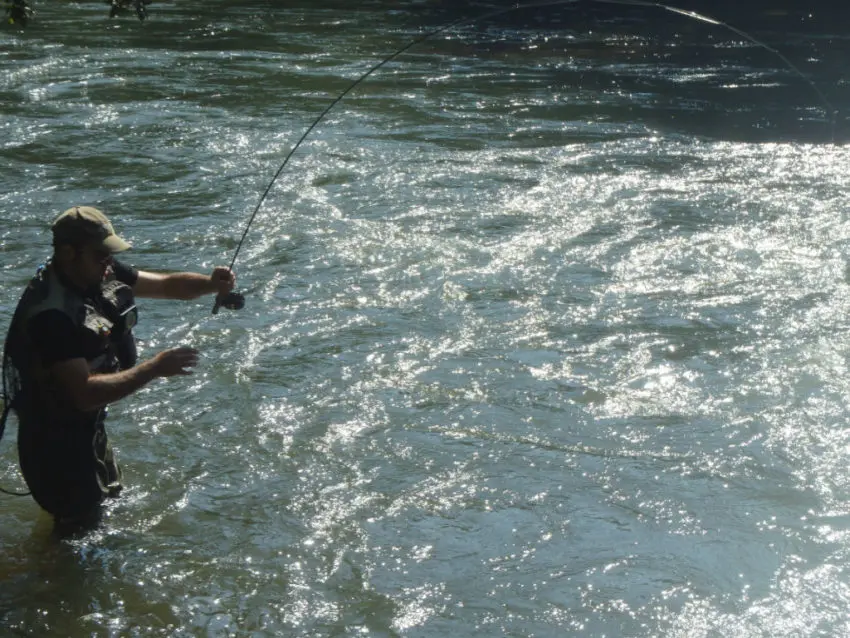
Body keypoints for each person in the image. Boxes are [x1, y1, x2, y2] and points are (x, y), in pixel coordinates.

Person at [1, 206, 235, 529]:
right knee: (76, 538)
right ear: (69, 254)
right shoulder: (50, 317)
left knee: (109, 507)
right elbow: (83, 393)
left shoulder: (96, 269)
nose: (108, 263)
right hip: (55, 448)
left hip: (87, 431)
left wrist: (210, 284)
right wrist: (155, 368)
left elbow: (166, 286)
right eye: (101, 255)